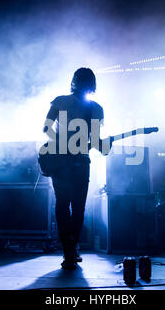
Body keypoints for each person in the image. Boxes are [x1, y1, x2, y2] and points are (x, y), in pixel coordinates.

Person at [43, 68, 105, 269]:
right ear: (93, 84)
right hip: (75, 163)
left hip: (64, 162)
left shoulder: (61, 101)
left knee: (64, 205)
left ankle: (68, 249)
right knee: (77, 207)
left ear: (74, 81)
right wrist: (102, 146)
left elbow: (45, 128)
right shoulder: (96, 108)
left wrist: (60, 144)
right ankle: (71, 248)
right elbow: (94, 140)